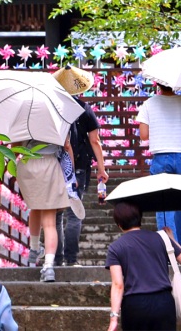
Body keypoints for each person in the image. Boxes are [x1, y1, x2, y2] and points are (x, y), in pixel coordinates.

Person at [105, 201, 181, 331]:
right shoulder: (161, 238)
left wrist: (114, 318)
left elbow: (118, 285)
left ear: (119, 224)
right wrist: (172, 239)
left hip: (134, 305)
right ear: (140, 218)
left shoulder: (115, 247)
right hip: (163, 303)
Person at [52, 65, 109, 266]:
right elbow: (95, 141)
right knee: (74, 214)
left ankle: (56, 259)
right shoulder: (84, 109)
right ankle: (71, 259)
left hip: (54, 165)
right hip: (78, 167)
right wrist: (102, 169)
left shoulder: (53, 109)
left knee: (57, 216)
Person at [136, 83, 181, 253]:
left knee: (164, 205)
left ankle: (170, 249)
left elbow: (143, 135)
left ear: (157, 83)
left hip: (161, 157)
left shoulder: (149, 104)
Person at [14, 135, 71, 282]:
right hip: (49, 165)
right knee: (50, 222)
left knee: (35, 206)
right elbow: (67, 146)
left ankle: (34, 248)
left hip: (27, 164)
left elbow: (15, 146)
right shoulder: (57, 117)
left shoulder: (23, 116)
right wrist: (71, 176)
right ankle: (48, 266)